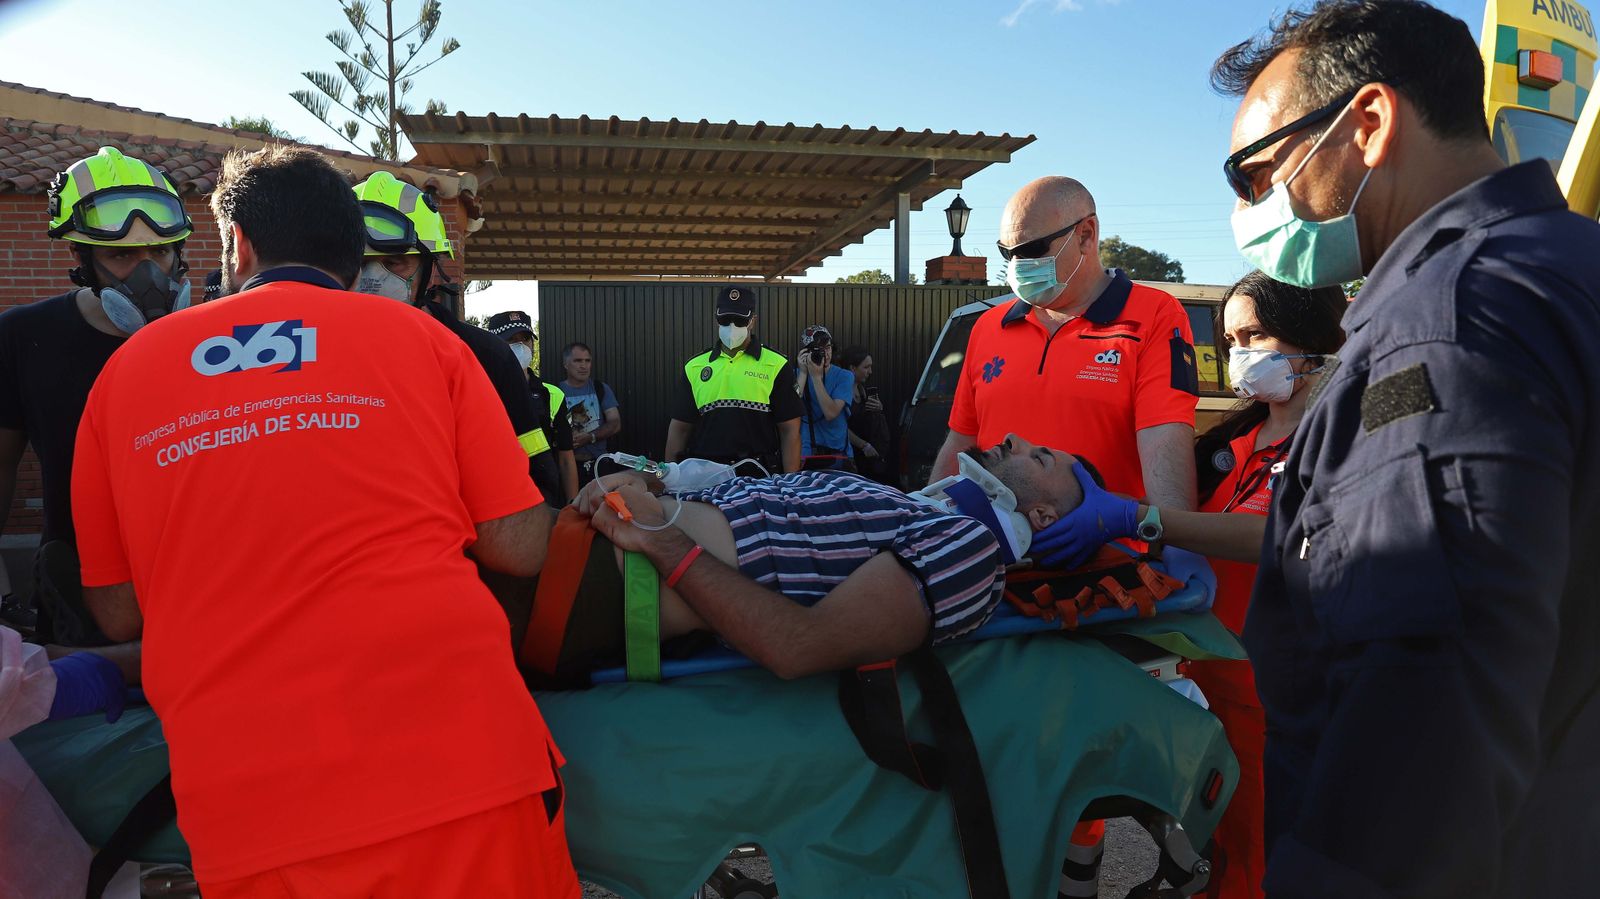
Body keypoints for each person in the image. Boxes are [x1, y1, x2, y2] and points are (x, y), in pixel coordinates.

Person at [71, 145, 578, 898]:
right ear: (354, 249)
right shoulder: (426, 344)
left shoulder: (125, 375)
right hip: (463, 774)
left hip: (254, 816)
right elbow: (519, 544)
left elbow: (118, 611)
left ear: (237, 243)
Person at [1213, 2, 1600, 895]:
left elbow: (1425, 709)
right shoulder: (1567, 263)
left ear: (1370, 124)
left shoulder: (1442, 326)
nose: (1249, 208)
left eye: (1254, 172)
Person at [927, 175, 1207, 891]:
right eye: (1005, 251)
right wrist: (914, 527)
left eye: (1032, 248)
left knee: (1094, 749)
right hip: (994, 586)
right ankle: (1071, 860)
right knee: (1019, 759)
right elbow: (956, 450)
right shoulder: (991, 326)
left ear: (1089, 234)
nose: (1018, 265)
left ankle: (1135, 851)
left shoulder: (1151, 316)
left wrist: (1155, 553)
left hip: (1104, 583)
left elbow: (1169, 474)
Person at [1038, 272, 1347, 899]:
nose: (1240, 352)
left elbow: (1275, 537)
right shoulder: (1235, 441)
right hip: (1209, 678)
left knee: (1263, 852)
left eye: (1255, 334)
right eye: (1232, 338)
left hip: (1280, 693)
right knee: (1214, 842)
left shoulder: (1342, 435)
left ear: (1311, 336)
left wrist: (1141, 517)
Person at [568, 433, 1095, 678]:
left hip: (609, 578)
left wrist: (662, 538)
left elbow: (801, 646)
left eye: (1039, 456)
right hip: (613, 530)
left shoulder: (971, 552)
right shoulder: (906, 507)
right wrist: (655, 479)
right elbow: (755, 489)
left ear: (1043, 516)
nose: (1014, 439)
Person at [0, 147, 196, 644]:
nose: (148, 274)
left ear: (179, 253)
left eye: (159, 253)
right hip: (75, 604)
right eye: (122, 255)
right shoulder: (22, 336)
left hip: (198, 593)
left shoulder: (215, 340)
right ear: (81, 259)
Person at [350, 173, 565, 507]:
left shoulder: (485, 356)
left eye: (394, 262)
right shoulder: (309, 355)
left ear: (432, 270)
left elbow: (536, 483)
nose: (372, 278)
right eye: (359, 263)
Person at [665, 285, 803, 476]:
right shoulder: (694, 367)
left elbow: (790, 431)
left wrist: (789, 484)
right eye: (725, 319)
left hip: (759, 476)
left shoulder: (777, 364)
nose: (732, 326)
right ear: (716, 319)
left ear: (752, 321)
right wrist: (670, 480)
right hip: (705, 477)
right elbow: (679, 429)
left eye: (739, 320)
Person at [486, 311, 580, 505]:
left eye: (526, 339)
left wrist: (573, 506)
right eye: (511, 340)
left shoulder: (552, 395)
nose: (521, 346)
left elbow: (566, 457)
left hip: (543, 498)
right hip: (498, 499)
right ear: (493, 345)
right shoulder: (480, 391)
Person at [558, 341, 621, 487]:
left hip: (600, 465)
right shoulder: (555, 392)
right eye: (578, 360)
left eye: (587, 361)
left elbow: (615, 423)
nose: (583, 365)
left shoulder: (601, 388)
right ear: (566, 364)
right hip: (569, 469)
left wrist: (590, 437)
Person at [794, 325, 855, 471]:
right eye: (819, 350)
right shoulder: (797, 374)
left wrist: (815, 377)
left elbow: (831, 413)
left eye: (828, 347)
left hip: (838, 453)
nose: (825, 354)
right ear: (807, 352)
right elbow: (791, 408)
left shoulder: (844, 376)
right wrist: (803, 373)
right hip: (807, 452)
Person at [838, 345, 893, 483]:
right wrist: (864, 445)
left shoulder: (863, 390)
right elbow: (839, 426)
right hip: (851, 455)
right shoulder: (841, 392)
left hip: (869, 458)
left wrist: (878, 409)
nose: (870, 371)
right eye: (866, 367)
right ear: (852, 368)